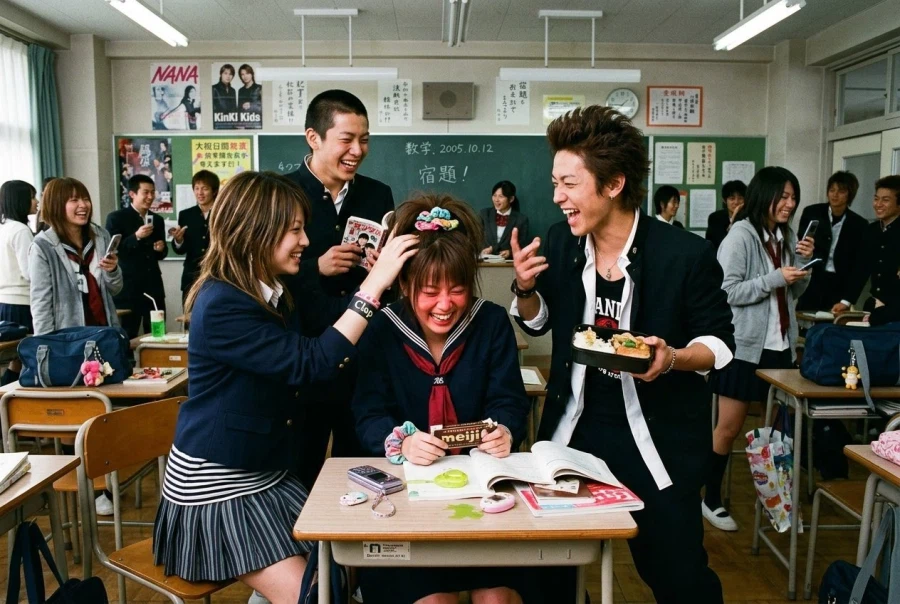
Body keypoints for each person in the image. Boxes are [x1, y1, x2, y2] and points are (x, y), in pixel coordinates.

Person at [152, 170, 417, 604]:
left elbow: (329, 330)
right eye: (294, 230)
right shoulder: (222, 303)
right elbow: (313, 361)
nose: (306, 241)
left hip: (267, 473)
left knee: (345, 573)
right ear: (256, 231)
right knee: (316, 594)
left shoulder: (272, 289)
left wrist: (373, 281)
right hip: (218, 488)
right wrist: (374, 285)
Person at [511, 105, 735, 604]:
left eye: (569, 184)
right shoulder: (562, 242)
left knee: (678, 576)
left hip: (656, 437)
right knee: (546, 572)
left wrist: (671, 358)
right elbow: (541, 321)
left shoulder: (683, 254)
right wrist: (524, 289)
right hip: (575, 429)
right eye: (555, 183)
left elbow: (719, 345)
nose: (557, 197)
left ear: (613, 184)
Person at [353, 195, 530, 604]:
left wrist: (505, 429)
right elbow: (367, 413)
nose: (445, 305)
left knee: (497, 599)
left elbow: (509, 400)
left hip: (484, 498)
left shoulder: (490, 322)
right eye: (430, 292)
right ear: (404, 284)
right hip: (405, 501)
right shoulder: (382, 330)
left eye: (458, 290)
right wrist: (401, 443)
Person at [284, 89, 395, 489]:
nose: (357, 150)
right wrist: (316, 266)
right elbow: (261, 273)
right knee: (300, 469)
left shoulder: (377, 194)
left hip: (362, 355)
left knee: (364, 468)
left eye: (364, 140)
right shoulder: (283, 194)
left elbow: (388, 283)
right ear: (313, 138)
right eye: (346, 139)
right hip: (302, 355)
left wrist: (386, 266)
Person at [704, 166, 813, 531]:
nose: (790, 204)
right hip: (745, 348)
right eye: (784, 196)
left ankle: (776, 502)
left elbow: (793, 293)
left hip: (781, 346)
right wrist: (774, 278)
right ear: (765, 195)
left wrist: (802, 268)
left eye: (793, 198)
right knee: (729, 427)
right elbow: (727, 291)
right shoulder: (741, 235)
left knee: (778, 433)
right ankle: (710, 499)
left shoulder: (786, 236)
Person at [105, 174, 168, 338]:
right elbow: (113, 251)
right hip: (128, 288)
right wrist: (136, 237)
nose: (150, 197)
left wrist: (160, 249)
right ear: (132, 194)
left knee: (157, 334)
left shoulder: (157, 220)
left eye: (152, 192)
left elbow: (162, 254)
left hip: (153, 287)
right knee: (127, 334)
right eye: (145, 192)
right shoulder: (116, 218)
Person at [795, 171, 867, 311]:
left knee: (832, 320)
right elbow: (801, 245)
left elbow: (858, 265)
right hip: (813, 278)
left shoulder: (859, 224)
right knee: (805, 317)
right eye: (832, 190)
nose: (835, 195)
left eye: (841, 191)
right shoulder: (812, 212)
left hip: (839, 283)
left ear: (850, 194)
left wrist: (848, 299)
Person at [837, 175, 900, 324]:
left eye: (885, 200)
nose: (878, 204)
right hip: (874, 306)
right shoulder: (871, 230)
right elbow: (861, 268)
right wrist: (846, 301)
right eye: (876, 199)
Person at [0, 180, 37, 385]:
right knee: (25, 360)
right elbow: (31, 272)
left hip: (4, 302)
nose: (37, 201)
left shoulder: (4, 227)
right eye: (32, 197)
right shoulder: (21, 230)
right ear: (20, 200)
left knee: (16, 361)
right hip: (22, 302)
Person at [172, 170, 219, 304]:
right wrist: (179, 240)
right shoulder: (186, 215)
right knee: (189, 315)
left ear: (214, 191)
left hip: (216, 275)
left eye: (205, 188)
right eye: (196, 188)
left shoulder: (223, 213)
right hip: (191, 277)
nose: (200, 193)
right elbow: (181, 250)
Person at [479, 180, 530, 258]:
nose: (496, 200)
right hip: (486, 261)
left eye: (501, 196)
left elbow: (523, 244)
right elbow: (476, 238)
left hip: (508, 262)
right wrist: (484, 250)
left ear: (511, 199)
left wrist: (510, 252)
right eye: (494, 195)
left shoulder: (521, 219)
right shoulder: (484, 214)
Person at [705, 180, 747, 253]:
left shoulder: (749, 218)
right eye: (732, 198)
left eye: (740, 198)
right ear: (724, 200)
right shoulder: (715, 218)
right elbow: (715, 243)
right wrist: (733, 220)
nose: (736, 202)